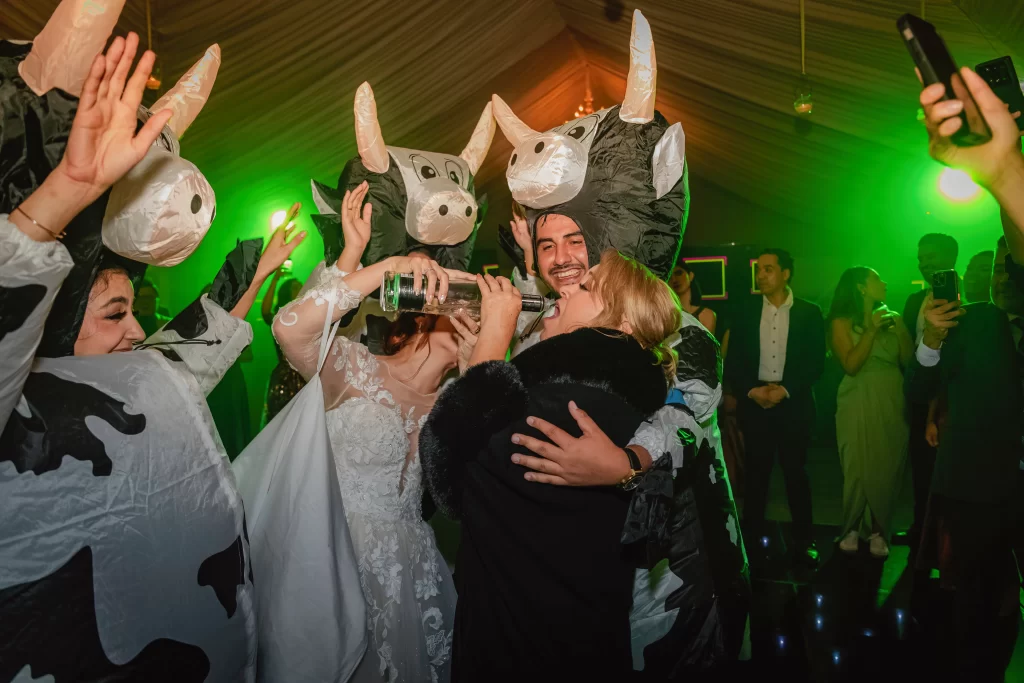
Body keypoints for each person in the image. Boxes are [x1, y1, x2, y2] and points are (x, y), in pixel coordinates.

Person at [0, 24, 260, 680]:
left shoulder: (115, 390)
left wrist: (245, 285)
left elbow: (173, 366)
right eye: (117, 313)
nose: (140, 332)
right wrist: (66, 189)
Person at [421, 250, 682, 681]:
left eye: (586, 286)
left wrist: (493, 343)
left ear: (623, 323)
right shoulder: (612, 399)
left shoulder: (567, 405)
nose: (565, 286)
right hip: (579, 630)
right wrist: (479, 366)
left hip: (522, 642)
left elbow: (448, 475)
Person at [272, 181, 470, 683]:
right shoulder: (354, 366)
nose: (474, 314)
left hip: (415, 571)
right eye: (463, 301)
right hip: (335, 556)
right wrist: (369, 262)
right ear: (429, 312)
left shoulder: (460, 404)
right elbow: (291, 327)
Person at [906, 236, 1023, 681]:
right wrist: (930, 340)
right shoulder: (970, 324)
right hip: (977, 482)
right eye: (994, 268)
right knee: (975, 593)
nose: (1001, 277)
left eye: (1010, 266)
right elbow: (917, 390)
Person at [725, 248, 824, 566]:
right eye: (759, 270)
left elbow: (815, 363)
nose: (761, 275)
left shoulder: (809, 312)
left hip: (792, 406)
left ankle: (804, 540)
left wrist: (785, 390)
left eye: (768, 269)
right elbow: (733, 361)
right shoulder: (745, 311)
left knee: (796, 474)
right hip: (756, 405)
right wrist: (753, 392)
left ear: (785, 274)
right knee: (756, 476)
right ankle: (750, 544)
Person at [827, 268, 913, 558]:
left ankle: (879, 529)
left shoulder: (894, 318)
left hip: (892, 396)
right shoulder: (841, 322)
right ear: (862, 288)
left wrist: (899, 328)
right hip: (856, 396)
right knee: (855, 463)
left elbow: (909, 361)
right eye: (878, 278)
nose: (885, 282)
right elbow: (850, 364)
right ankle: (851, 526)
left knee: (887, 464)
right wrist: (873, 329)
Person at [898, 233, 957, 547]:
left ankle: (945, 539)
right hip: (919, 396)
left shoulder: (967, 297)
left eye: (931, 257)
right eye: (921, 258)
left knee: (949, 473)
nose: (924, 264)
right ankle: (920, 530)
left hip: (952, 401)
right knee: (920, 469)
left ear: (951, 257)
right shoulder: (912, 300)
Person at [261, 271, 306, 422]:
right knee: (280, 422)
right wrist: (274, 278)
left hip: (307, 377)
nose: (299, 287)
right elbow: (265, 311)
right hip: (284, 379)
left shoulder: (309, 316)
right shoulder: (281, 319)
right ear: (287, 293)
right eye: (295, 286)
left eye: (300, 285)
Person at [669, 262, 717, 334]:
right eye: (670, 276)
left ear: (690, 275)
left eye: (679, 273)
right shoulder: (664, 316)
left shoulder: (706, 315)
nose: (674, 279)